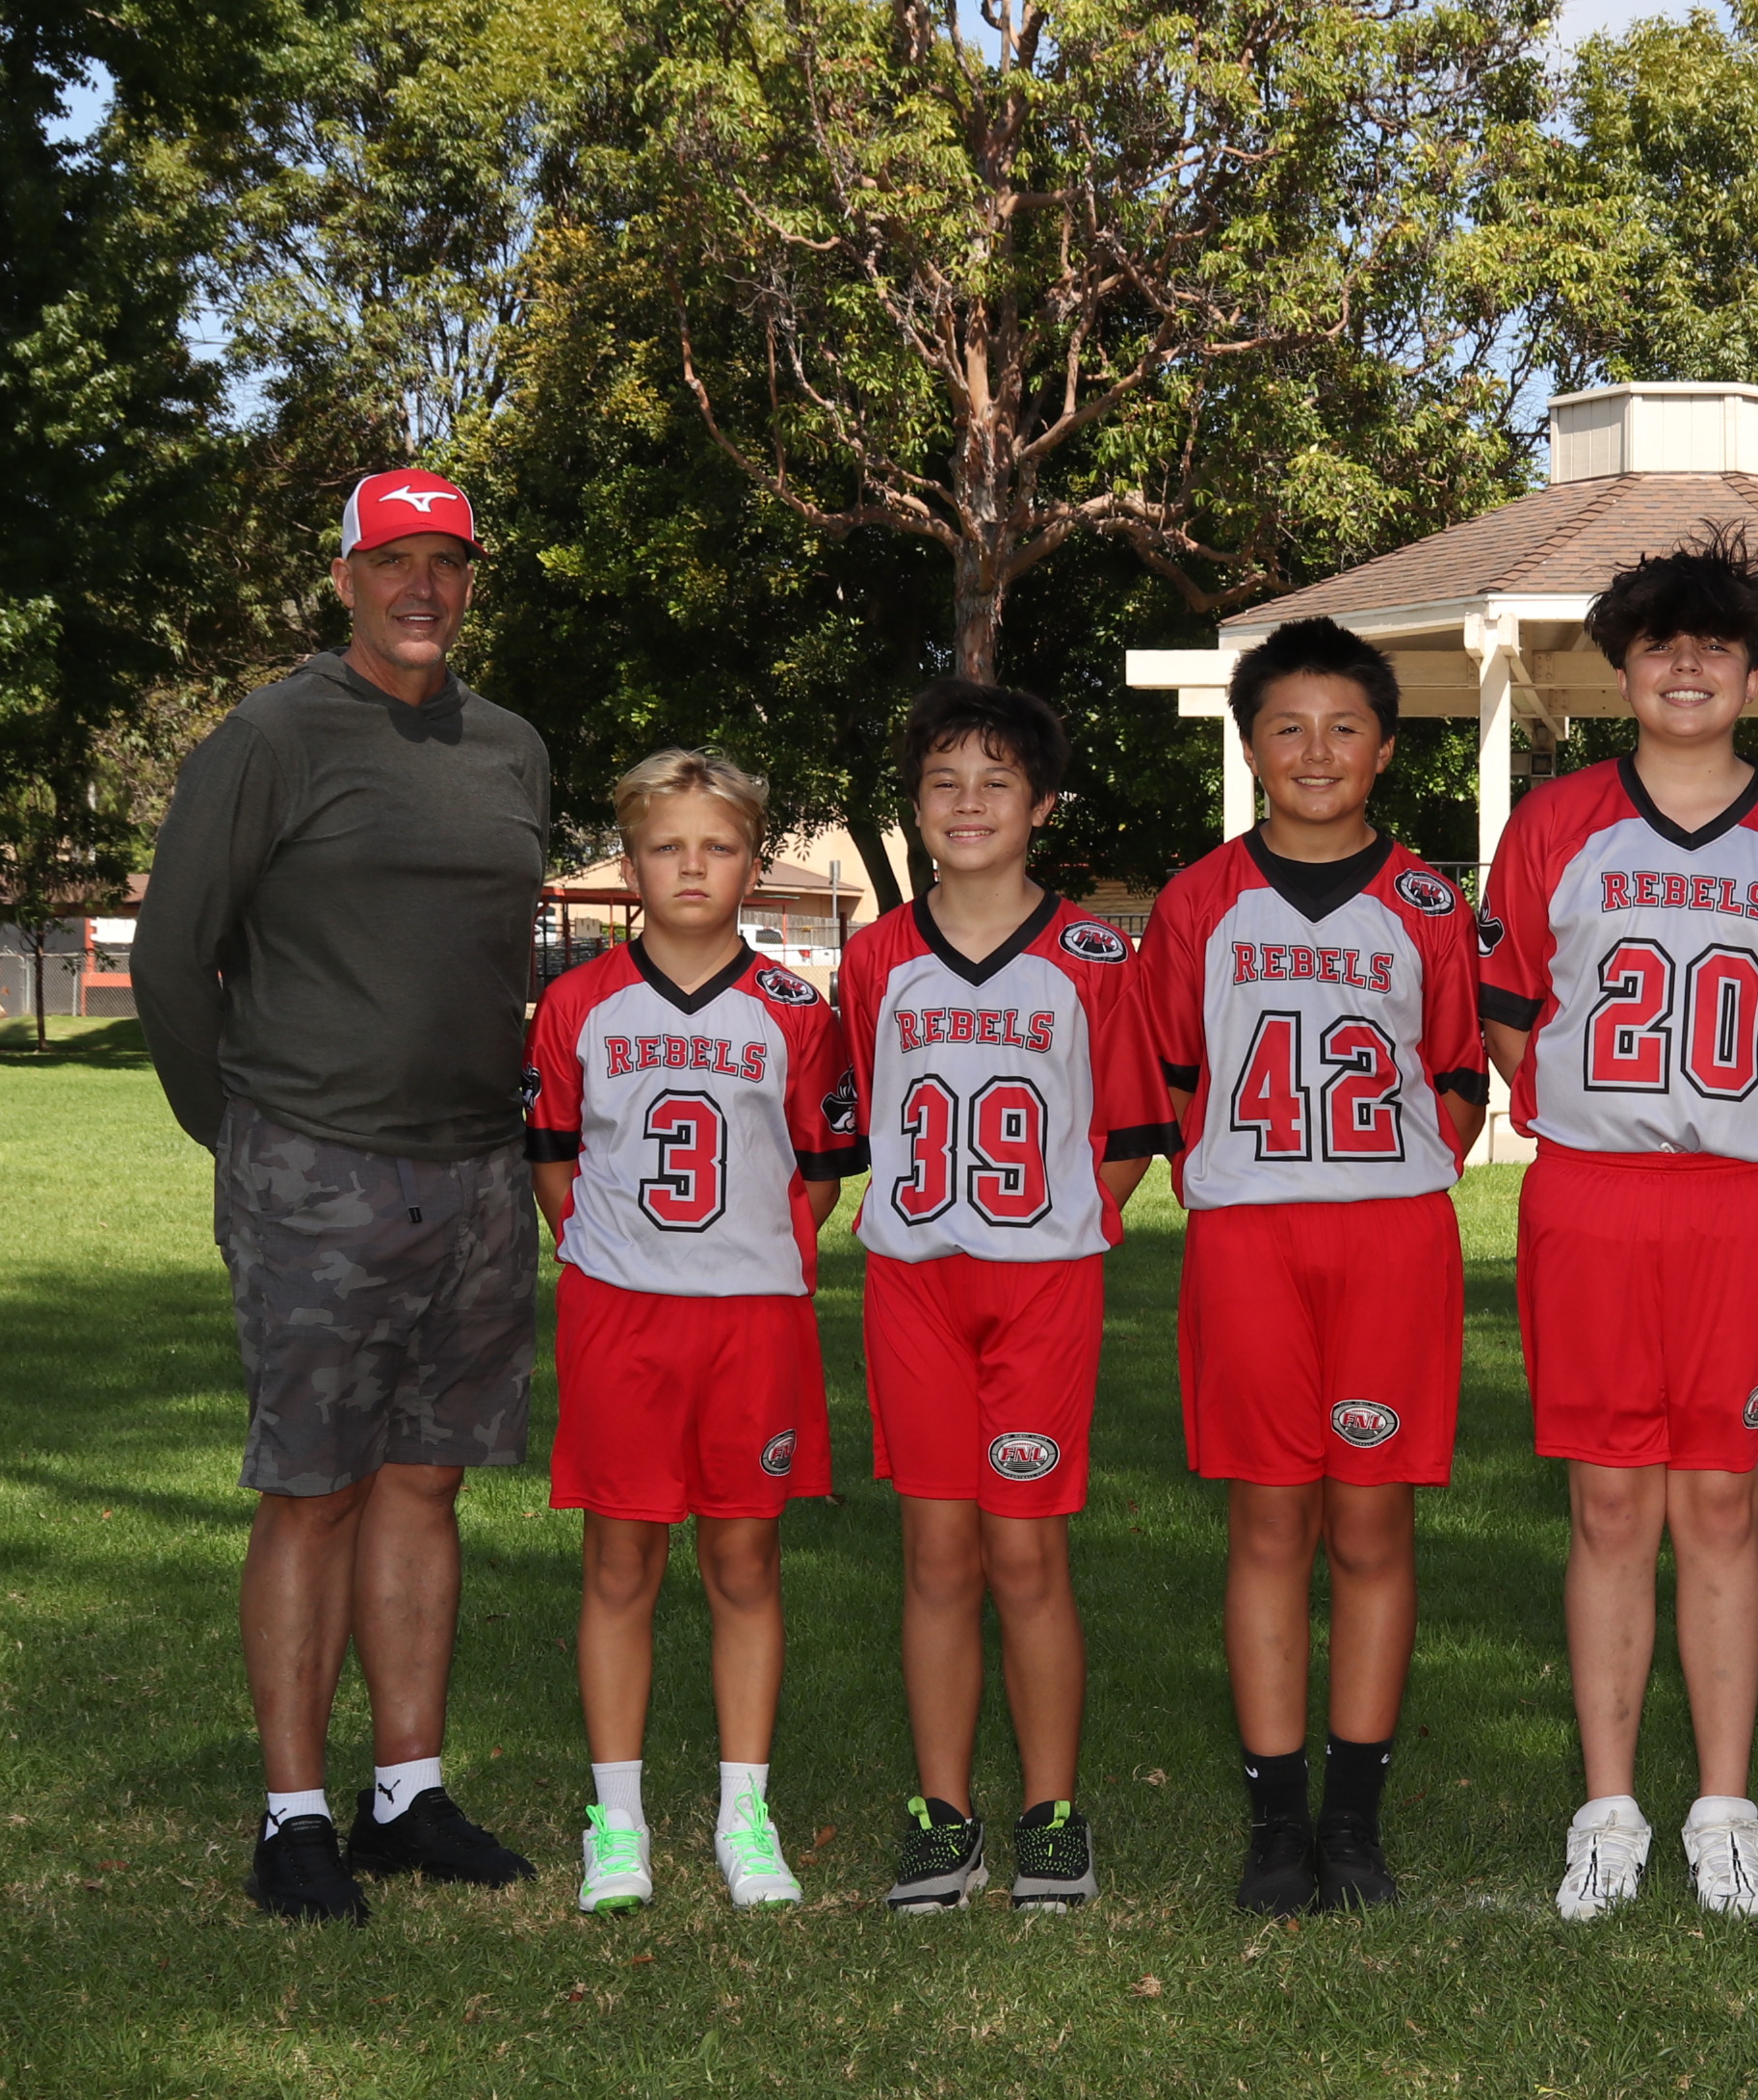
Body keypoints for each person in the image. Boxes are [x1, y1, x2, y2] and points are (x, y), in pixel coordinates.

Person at [138, 467, 549, 1924]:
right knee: (312, 1491)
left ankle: (406, 1796)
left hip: (478, 1172)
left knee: (426, 1481)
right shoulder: (272, 736)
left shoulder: (511, 748)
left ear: (471, 581)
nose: (422, 588)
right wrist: (250, 1143)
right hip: (313, 1167)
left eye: (448, 562)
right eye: (393, 562)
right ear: (345, 579)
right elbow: (173, 958)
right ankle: (295, 1814)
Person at [1477, 526, 1758, 1922]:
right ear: (1623, 670)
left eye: (1717, 644)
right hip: (1594, 1193)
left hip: (1743, 1201)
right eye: (1662, 644)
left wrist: (1733, 1112)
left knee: (1720, 1496)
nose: (1689, 666)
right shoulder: (1555, 820)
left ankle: (1722, 1809)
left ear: (1757, 671)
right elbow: (1511, 1014)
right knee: (1606, 1500)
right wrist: (1606, 1114)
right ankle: (1606, 1808)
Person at [1131, 618, 1487, 1915]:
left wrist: (1370, 1176)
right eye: (1288, 726)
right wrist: (1256, 1172)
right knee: (1270, 1520)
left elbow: (1457, 1082)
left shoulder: (1429, 903)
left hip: (1388, 1236)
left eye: (1345, 727)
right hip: (1250, 1237)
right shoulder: (1197, 901)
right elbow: (1174, 1077)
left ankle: (1355, 1820)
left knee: (1373, 1523)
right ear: (1251, 747)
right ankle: (1276, 1820)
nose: (1317, 751)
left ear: (1385, 750)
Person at [829, 681, 1170, 1914]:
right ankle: (943, 1815)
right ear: (916, 805)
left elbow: (1127, 1134)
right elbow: (865, 1118)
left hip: (1040, 1290)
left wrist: (1058, 1228)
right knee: (936, 1549)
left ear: (1042, 805)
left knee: (1025, 1548)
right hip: (915, 1285)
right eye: (943, 782)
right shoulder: (875, 957)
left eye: (995, 782)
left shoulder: (1094, 956)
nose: (967, 803)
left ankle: (1050, 1812)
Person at [524, 751, 855, 1912]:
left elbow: (819, 1175)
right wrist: (618, 1256)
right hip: (621, 1318)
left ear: (754, 865)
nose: (693, 867)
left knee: (745, 1560)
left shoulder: (795, 1010)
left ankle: (743, 1813)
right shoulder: (578, 1002)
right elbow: (554, 1159)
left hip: (753, 1322)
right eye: (667, 847)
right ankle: (616, 1820)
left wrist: (736, 1258)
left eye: (718, 846)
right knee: (621, 1559)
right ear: (631, 865)